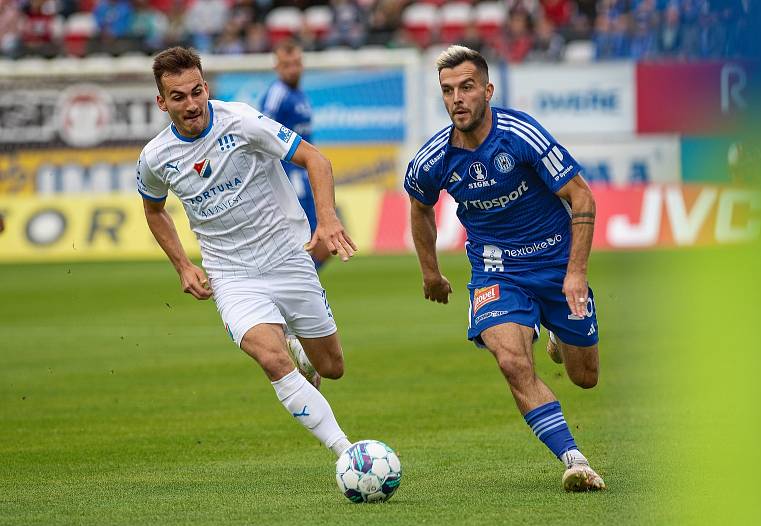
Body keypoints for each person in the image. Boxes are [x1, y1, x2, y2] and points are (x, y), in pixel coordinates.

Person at [137, 46, 357, 459]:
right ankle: (347, 453)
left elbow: (317, 159)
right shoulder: (155, 157)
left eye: (196, 91)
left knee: (332, 368)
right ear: (161, 102)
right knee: (270, 359)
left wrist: (327, 220)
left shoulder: (240, 120)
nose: (191, 104)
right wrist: (183, 265)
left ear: (205, 88)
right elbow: (153, 209)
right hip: (231, 274)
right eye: (179, 97)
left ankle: (301, 350)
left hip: (288, 256)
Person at [405, 45, 605, 491]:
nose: (457, 98)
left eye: (467, 87)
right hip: (497, 271)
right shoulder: (433, 159)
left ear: (488, 90)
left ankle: (557, 331)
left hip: (556, 264)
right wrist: (430, 272)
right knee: (512, 362)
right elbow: (420, 208)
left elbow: (582, 197)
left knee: (585, 378)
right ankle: (574, 460)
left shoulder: (521, 135)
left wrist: (575, 273)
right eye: (448, 90)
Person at [259, 38, 330, 269]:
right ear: (277, 67)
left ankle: (302, 293)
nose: (292, 69)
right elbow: (262, 132)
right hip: (289, 179)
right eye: (286, 64)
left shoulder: (300, 95)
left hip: (306, 177)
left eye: (296, 63)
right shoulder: (277, 94)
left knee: (323, 243)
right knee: (306, 242)